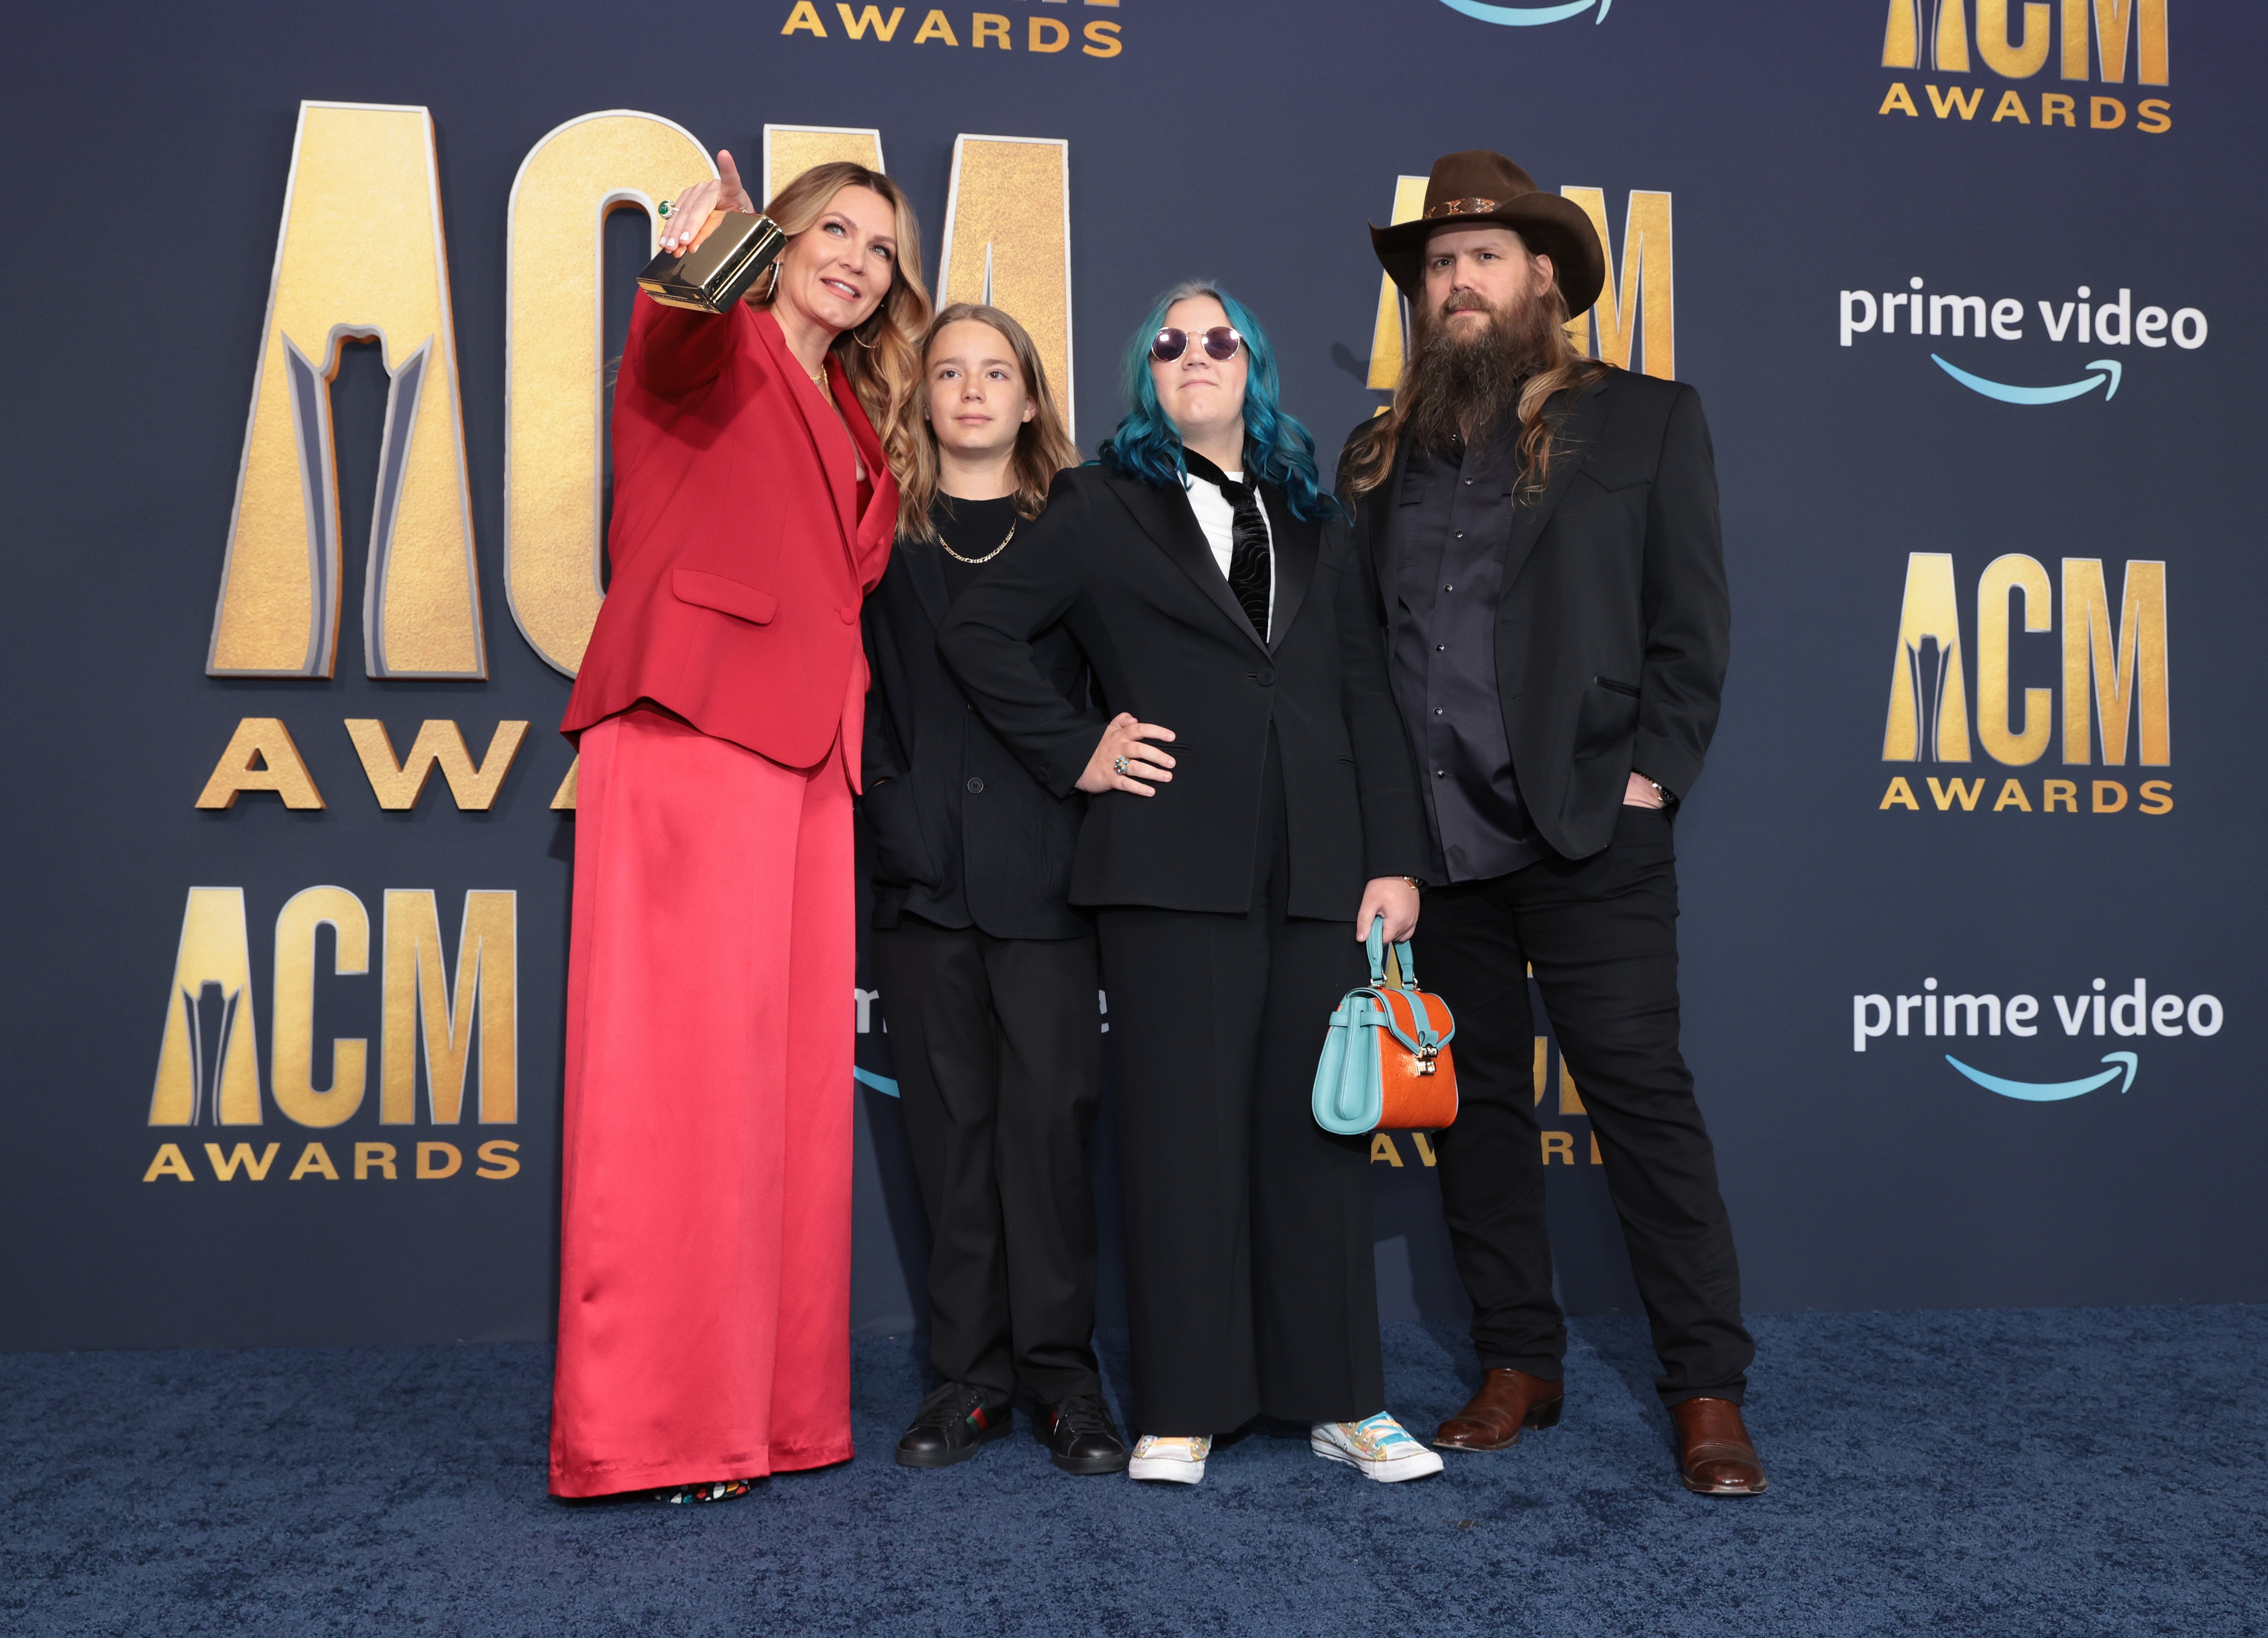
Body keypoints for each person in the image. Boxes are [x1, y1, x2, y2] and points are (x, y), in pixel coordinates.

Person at [938, 283, 1443, 1487]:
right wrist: (1078, 748)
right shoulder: (1100, 506)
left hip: (1322, 873)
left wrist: (1391, 857)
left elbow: (1364, 697)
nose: (1194, 353)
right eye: (1168, 343)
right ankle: (1184, 1404)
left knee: (1316, 1141)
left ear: (1255, 367)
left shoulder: (1321, 518)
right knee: (1179, 1142)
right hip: (1168, 870)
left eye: (1219, 339)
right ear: (1146, 379)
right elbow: (980, 635)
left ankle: (1342, 1401)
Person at [1340, 150, 1764, 1495]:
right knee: (1477, 1121)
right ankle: (1517, 1364)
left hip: (1592, 831)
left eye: (1481, 258)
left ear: (1543, 279)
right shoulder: (1380, 451)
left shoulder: (1646, 420)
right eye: (1437, 265)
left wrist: (1655, 771)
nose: (1455, 281)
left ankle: (1704, 1387)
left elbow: (1691, 625)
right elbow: (1363, 655)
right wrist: (1385, 841)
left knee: (1642, 1102)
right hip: (1438, 850)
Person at [549, 154, 931, 1503]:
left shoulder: (844, 402)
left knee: (776, 1108)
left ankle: (765, 1417)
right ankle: (655, 1427)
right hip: (693, 733)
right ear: (775, 239)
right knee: (680, 1098)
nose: (857, 259)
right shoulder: (711, 352)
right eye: (833, 229)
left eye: (881, 248)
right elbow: (671, 329)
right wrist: (706, 245)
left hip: (811, 766)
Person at [859, 303, 1127, 1475]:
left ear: (1030, 401)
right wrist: (895, 815)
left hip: (1050, 888)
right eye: (948, 371)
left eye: (996, 372)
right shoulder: (879, 536)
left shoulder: (1080, 528)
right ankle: (967, 1380)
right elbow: (854, 700)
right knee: (950, 1147)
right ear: (921, 399)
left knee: (1049, 1145)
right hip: (927, 893)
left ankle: (1065, 1383)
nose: (970, 390)